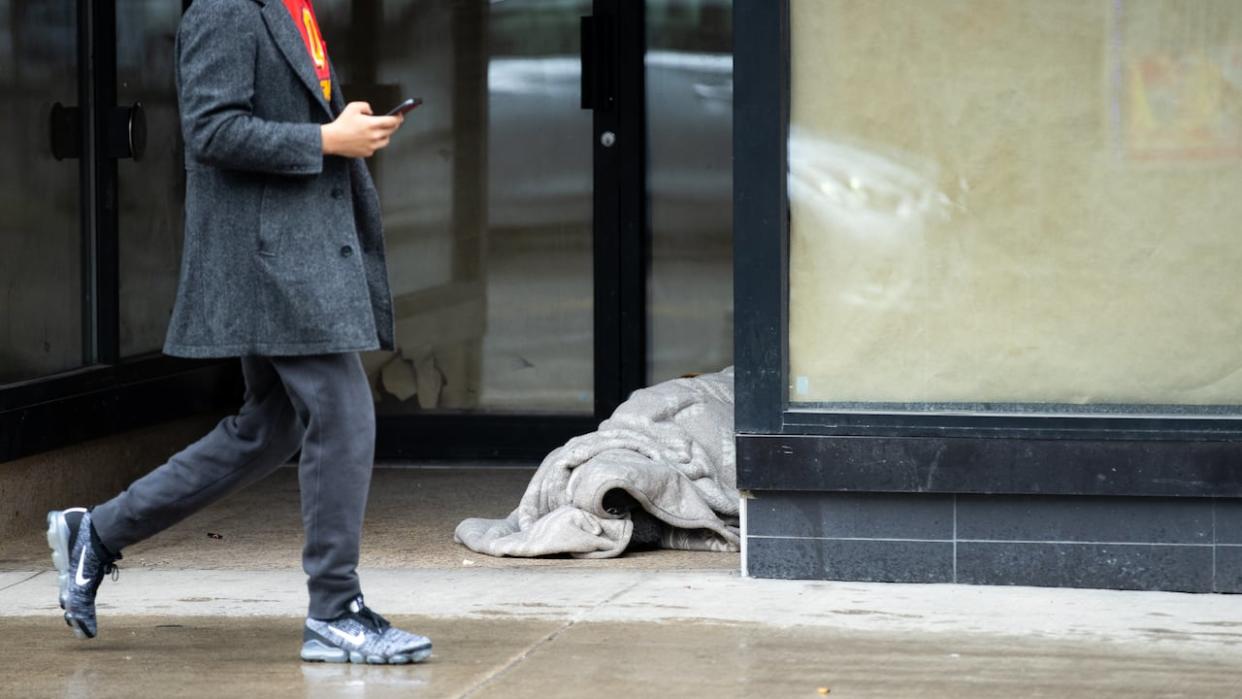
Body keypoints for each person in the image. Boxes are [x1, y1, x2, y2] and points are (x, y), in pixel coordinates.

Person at [44, 0, 431, 665]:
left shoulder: (291, 8)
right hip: (270, 263)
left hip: (290, 254)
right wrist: (325, 140)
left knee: (269, 427)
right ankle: (334, 610)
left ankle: (97, 531)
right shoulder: (226, 10)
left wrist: (343, 126)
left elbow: (280, 116)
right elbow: (211, 129)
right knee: (343, 412)